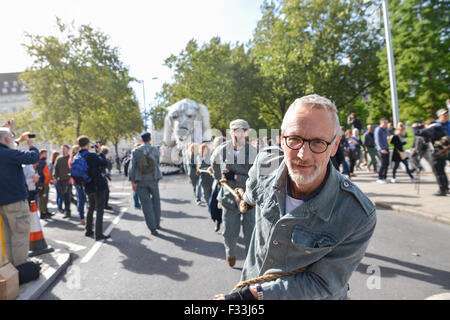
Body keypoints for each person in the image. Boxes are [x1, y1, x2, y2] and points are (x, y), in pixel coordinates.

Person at [218, 94, 376, 300]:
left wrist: (254, 296)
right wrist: (245, 201)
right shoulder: (264, 163)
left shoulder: (357, 214)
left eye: (318, 142)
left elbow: (322, 282)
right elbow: (250, 193)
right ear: (282, 138)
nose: (304, 155)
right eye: (295, 139)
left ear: (335, 145)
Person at [210, 119, 258, 268]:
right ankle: (230, 252)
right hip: (229, 199)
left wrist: (236, 177)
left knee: (251, 233)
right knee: (230, 233)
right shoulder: (221, 150)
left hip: (248, 199)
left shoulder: (253, 153)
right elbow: (214, 165)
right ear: (230, 132)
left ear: (247, 132)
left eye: (241, 130)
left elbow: (256, 177)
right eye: (234, 130)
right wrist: (221, 179)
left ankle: (251, 262)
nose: (238, 133)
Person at [0, 127, 40, 266]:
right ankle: (21, 267)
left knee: (8, 236)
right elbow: (33, 157)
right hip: (15, 201)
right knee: (20, 234)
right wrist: (31, 146)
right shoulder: (8, 153)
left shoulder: (6, 152)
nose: (13, 140)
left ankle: (12, 268)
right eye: (11, 137)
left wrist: (18, 140)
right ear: (6, 139)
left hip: (2, 203)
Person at [76, 136, 111, 241]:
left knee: (90, 207)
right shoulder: (91, 155)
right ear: (87, 145)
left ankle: (88, 230)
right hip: (98, 185)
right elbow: (104, 163)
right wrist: (100, 152)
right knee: (99, 210)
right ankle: (98, 234)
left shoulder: (77, 156)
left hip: (87, 185)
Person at [128, 132, 163, 235]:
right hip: (153, 178)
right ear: (150, 139)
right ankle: (157, 223)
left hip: (140, 179)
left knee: (146, 204)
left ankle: (152, 227)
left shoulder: (135, 151)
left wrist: (132, 181)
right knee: (156, 201)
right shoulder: (155, 150)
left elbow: (132, 168)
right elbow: (157, 163)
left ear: (142, 140)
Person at [413, 113, 449, 196]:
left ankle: (442, 190)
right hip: (443, 152)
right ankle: (446, 188)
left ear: (428, 124)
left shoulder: (431, 128)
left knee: (437, 172)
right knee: (442, 171)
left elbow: (417, 132)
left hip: (435, 154)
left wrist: (414, 126)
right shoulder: (441, 128)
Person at [69, 145, 86, 225]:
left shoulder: (70, 159)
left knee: (80, 200)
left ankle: (81, 217)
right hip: (83, 181)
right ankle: (88, 217)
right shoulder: (80, 158)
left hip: (75, 182)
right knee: (86, 199)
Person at [53, 145, 72, 218]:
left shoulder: (71, 158)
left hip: (68, 180)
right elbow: (56, 169)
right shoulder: (59, 158)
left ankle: (67, 212)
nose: (63, 150)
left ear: (68, 149)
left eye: (64, 149)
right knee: (63, 196)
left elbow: (73, 169)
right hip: (60, 180)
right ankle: (69, 207)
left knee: (67, 196)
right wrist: (54, 177)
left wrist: (72, 178)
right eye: (62, 149)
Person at [35, 150, 52, 219]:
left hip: (45, 182)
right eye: (45, 153)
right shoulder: (41, 161)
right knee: (42, 198)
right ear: (42, 154)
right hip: (43, 182)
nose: (46, 155)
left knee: (45, 198)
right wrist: (40, 183)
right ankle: (42, 213)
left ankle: (45, 211)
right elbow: (39, 172)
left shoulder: (42, 161)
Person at [196, 142, 214, 207]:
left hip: (211, 178)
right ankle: (209, 205)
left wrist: (210, 169)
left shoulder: (211, 157)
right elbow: (198, 168)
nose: (204, 151)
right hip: (203, 179)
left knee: (212, 194)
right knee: (206, 194)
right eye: (203, 149)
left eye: (206, 149)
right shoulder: (199, 158)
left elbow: (213, 166)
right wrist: (198, 171)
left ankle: (211, 206)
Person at [374, 118, 390, 184]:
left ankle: (384, 177)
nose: (386, 124)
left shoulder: (385, 129)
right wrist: (381, 149)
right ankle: (380, 177)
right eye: (385, 123)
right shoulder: (378, 130)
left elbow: (387, 136)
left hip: (386, 148)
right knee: (383, 163)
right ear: (381, 123)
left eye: (387, 123)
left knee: (387, 163)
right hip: (381, 149)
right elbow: (377, 140)